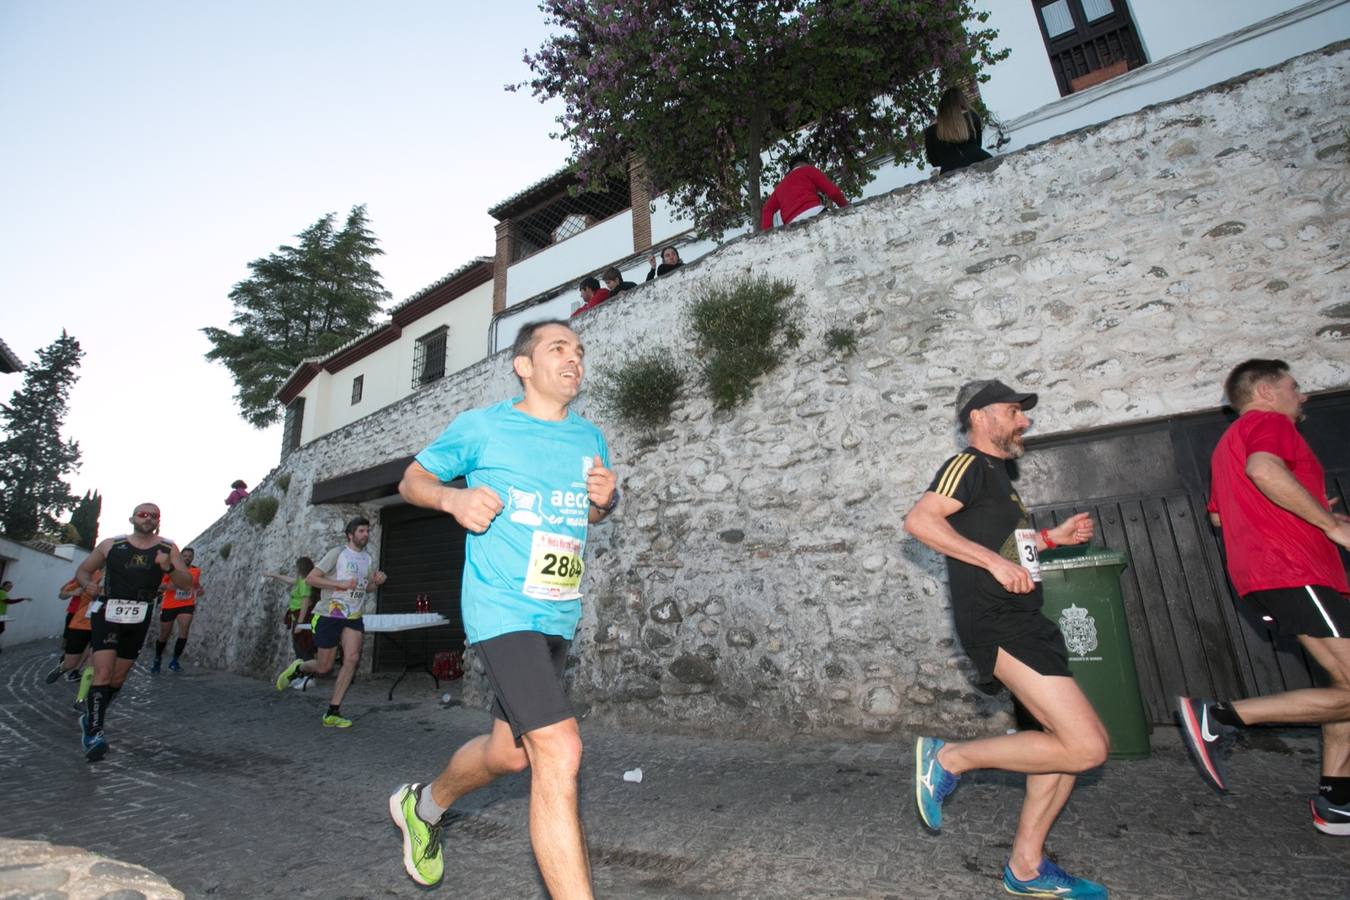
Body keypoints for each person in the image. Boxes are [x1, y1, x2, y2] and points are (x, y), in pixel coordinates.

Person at [388, 319, 617, 894]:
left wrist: (604, 503)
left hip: (557, 613)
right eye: (558, 348)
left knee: (509, 755)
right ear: (524, 365)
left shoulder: (589, 438)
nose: (574, 359)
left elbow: (589, 514)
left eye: (579, 351)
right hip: (501, 608)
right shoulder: (483, 428)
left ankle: (425, 805)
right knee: (559, 750)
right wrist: (453, 496)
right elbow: (412, 480)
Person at [903, 379, 1109, 899]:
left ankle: (1027, 866)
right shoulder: (968, 466)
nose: (1025, 420)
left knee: (1062, 749)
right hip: (998, 623)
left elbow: (1009, 550)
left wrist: (1048, 540)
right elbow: (921, 522)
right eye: (1014, 411)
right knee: (1087, 748)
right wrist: (993, 562)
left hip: (1027, 620)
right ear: (979, 416)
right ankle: (949, 760)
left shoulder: (1001, 480)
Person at [1178, 359, 1350, 836]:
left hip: (1269, 574)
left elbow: (1219, 518)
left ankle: (1337, 800)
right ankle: (1222, 717)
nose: (1304, 396)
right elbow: (1263, 469)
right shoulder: (1268, 423)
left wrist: (1303, 508)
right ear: (1267, 390)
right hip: (1295, 571)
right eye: (1296, 386)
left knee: (1342, 688)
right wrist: (1329, 523)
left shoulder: (1225, 444)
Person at [74, 503, 193, 761]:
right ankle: (95, 733)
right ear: (132, 518)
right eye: (143, 514)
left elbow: (186, 582)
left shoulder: (167, 548)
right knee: (103, 671)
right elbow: (83, 570)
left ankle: (91, 716)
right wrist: (87, 585)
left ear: (159, 520)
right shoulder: (111, 544)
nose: (148, 518)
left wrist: (169, 568)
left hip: (140, 613)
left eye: (154, 515)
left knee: (118, 677)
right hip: (108, 609)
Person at [274, 517, 387, 727]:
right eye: (361, 531)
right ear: (350, 535)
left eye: (367, 531)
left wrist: (376, 583)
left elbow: (365, 588)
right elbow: (311, 579)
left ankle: (332, 712)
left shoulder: (368, 559)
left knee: (351, 658)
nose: (365, 535)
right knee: (324, 667)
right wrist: (339, 584)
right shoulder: (337, 554)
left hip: (353, 616)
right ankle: (300, 667)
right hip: (329, 615)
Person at [44, 569, 101, 693]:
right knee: (71, 657)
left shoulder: (124, 576)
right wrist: (74, 592)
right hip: (80, 621)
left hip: (104, 624)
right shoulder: (90, 574)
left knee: (93, 659)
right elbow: (62, 594)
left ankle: (80, 697)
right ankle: (64, 666)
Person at [759, 155, 849, 230]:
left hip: (792, 226)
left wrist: (768, 234)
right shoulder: (808, 170)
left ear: (791, 169)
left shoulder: (779, 187)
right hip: (816, 213)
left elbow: (767, 209)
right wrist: (847, 208)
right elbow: (834, 192)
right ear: (806, 164)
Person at [150, 547, 203, 673]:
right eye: (185, 556)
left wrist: (200, 589)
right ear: (180, 557)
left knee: (184, 632)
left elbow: (193, 584)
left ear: (193, 557)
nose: (187, 558)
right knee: (164, 635)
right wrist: (178, 585)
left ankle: (175, 661)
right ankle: (157, 658)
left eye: (190, 556)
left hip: (187, 604)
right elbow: (162, 586)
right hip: (169, 605)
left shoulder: (196, 570)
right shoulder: (171, 569)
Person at [265, 557, 318, 677]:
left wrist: (300, 623)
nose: (296, 569)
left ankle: (307, 676)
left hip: (302, 617)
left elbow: (306, 602)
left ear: (301, 568)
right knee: (298, 646)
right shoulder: (302, 580)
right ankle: (303, 675)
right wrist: (274, 575)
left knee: (302, 646)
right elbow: (290, 580)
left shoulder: (305, 582)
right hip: (297, 617)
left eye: (297, 567)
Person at [924, 86, 992, 175]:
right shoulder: (972, 116)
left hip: (949, 170)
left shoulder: (931, 130)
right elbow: (978, 144)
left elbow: (934, 161)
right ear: (962, 101)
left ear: (941, 106)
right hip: (980, 160)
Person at [0, 580, 32, 655]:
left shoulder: (3, 592)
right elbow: (8, 601)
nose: (10, 588)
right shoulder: (1, 592)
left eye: (11, 587)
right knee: (1, 629)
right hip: (0, 615)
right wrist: (22, 599)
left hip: (2, 615)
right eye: (8, 586)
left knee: (1, 629)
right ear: (3, 586)